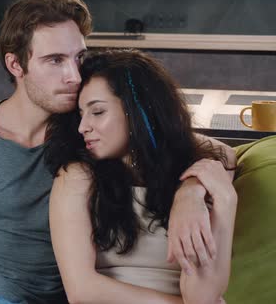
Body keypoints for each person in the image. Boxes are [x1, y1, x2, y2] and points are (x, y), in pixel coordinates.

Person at [0, 0, 235, 304]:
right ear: (16, 64)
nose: (75, 76)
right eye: (55, 61)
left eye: (79, 57)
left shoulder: (92, 136)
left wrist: (191, 189)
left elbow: (202, 147)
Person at [45, 49, 238, 304]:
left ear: (139, 110)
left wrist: (210, 197)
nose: (83, 127)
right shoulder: (77, 177)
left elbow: (201, 296)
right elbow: (82, 292)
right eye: (81, 114)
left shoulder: (203, 173)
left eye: (98, 112)